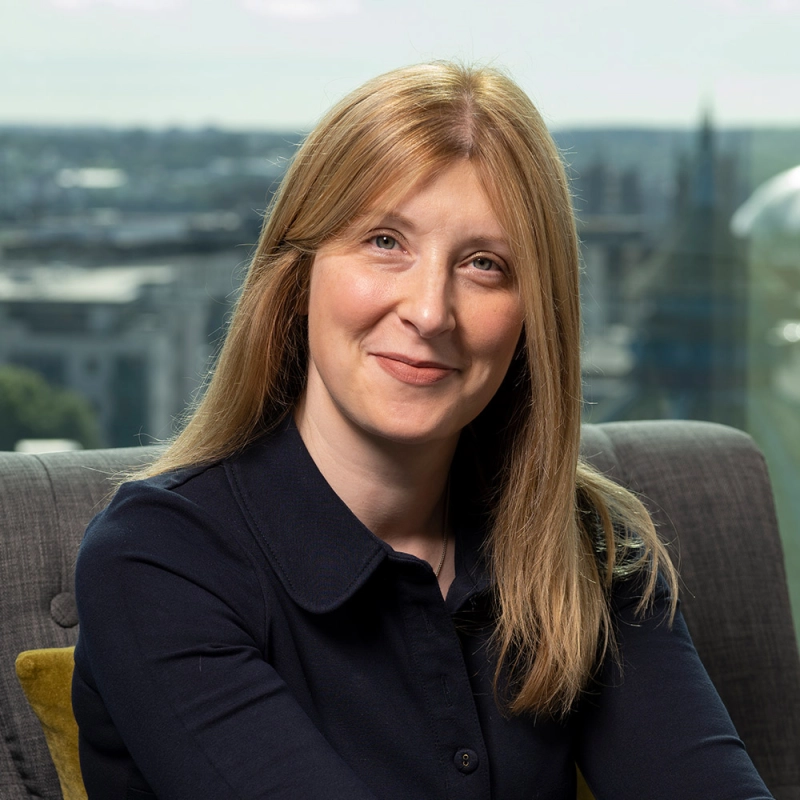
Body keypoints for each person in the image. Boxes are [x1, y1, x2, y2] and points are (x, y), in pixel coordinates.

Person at [72, 62, 774, 799]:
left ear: (534, 318)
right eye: (385, 242)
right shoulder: (158, 560)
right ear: (298, 274)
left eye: (484, 264)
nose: (431, 311)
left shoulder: (583, 548)